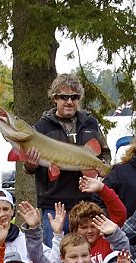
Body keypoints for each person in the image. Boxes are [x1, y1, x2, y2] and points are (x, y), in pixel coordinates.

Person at [21, 73, 111, 245]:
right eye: (64, 97)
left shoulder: (91, 123)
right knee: (54, 255)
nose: (70, 102)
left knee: (85, 257)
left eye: (74, 97)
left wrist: (103, 169)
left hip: (86, 204)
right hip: (54, 206)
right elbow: (29, 168)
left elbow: (104, 153)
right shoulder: (40, 128)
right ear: (54, 99)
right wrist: (30, 165)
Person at [19, 200, 129, 263]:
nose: (80, 261)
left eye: (84, 255)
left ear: (90, 254)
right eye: (73, 257)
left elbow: (122, 258)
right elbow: (37, 258)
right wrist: (34, 230)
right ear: (62, 258)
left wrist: (115, 234)